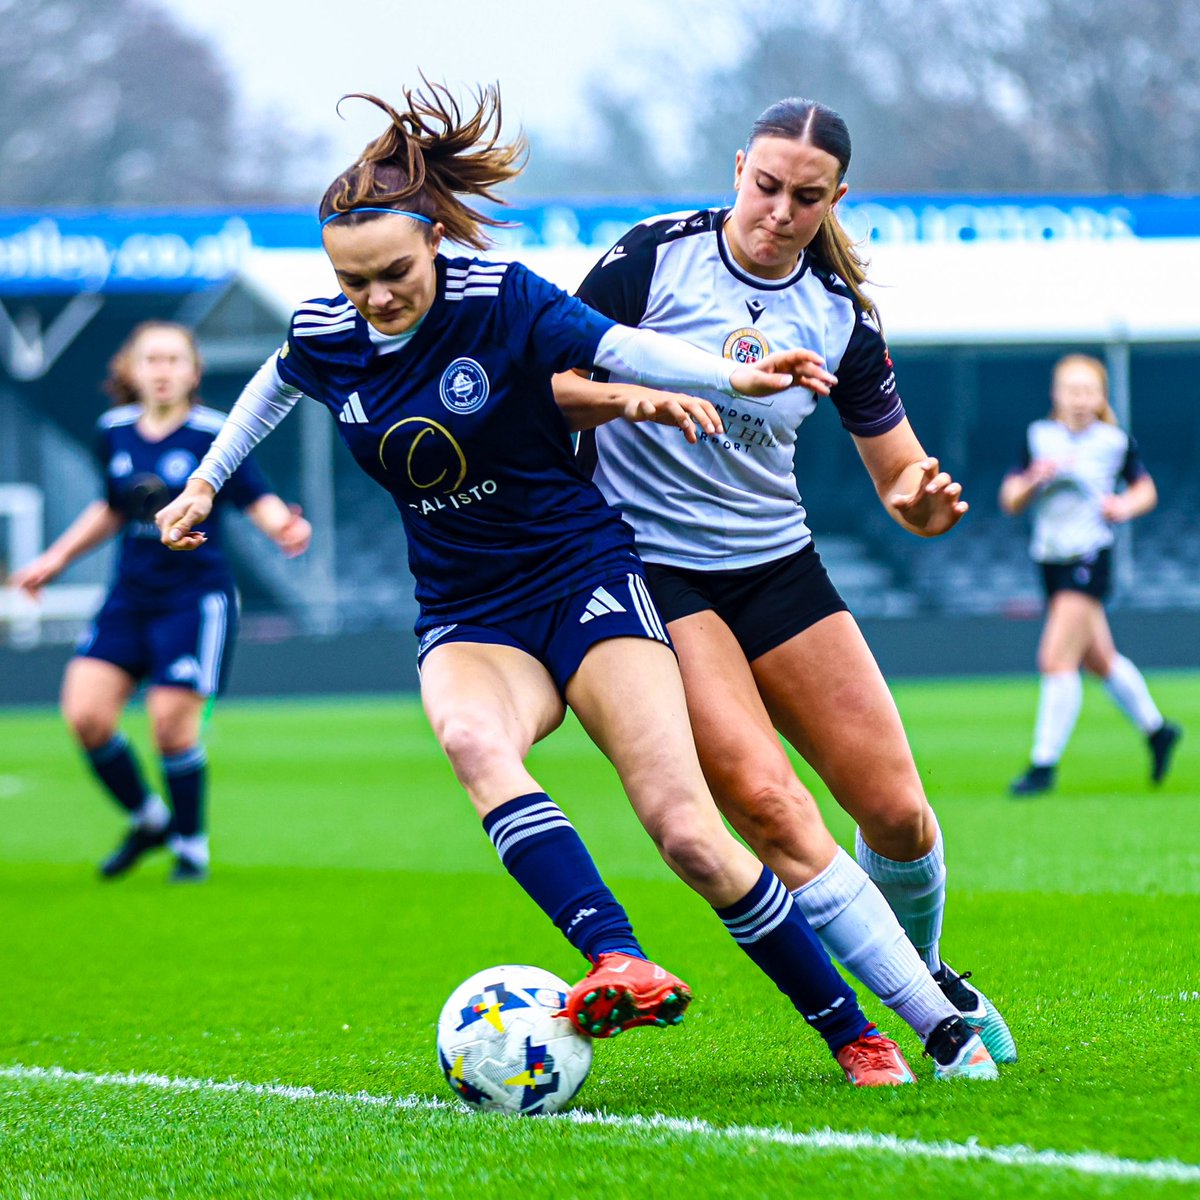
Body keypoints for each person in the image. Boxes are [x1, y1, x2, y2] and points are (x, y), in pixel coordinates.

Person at [154, 82, 986, 1084]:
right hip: (551, 589)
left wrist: (770, 409)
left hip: (671, 568)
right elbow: (310, 374)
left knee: (792, 822)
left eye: (804, 196)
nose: (374, 300)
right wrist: (206, 482)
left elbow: (617, 354)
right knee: (608, 772)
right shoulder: (373, 319)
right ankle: (636, 960)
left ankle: (897, 1008)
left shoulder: (518, 296)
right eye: (352, 279)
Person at [556, 96, 1016, 1067]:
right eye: (765, 186)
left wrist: (925, 506)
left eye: (806, 197)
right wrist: (645, 392)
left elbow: (901, 477)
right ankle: (921, 1034)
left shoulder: (839, 312)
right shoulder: (651, 260)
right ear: (737, 171)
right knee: (769, 804)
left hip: (776, 566)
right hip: (653, 568)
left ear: (835, 199)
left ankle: (924, 975)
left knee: (897, 814)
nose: (779, 210)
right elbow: (548, 379)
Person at [9, 321, 312, 882]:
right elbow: (112, 508)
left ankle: (191, 846)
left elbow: (257, 498)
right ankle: (151, 820)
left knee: (171, 728)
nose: (163, 370)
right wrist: (54, 560)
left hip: (195, 600)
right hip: (129, 596)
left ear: (194, 372)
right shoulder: (114, 430)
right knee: (86, 718)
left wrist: (283, 529)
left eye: (175, 360)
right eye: (152, 360)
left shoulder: (214, 434)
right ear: (131, 370)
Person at [1000, 353, 1182, 796]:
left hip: (1089, 557)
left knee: (1056, 659)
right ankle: (1158, 731)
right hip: (1049, 558)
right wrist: (1032, 481)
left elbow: (1145, 489)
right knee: (1099, 659)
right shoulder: (1038, 437)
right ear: (1056, 395)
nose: (1080, 399)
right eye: (1072, 390)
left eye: (1089, 391)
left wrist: (1122, 506)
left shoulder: (1113, 441)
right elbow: (1010, 499)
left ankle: (1043, 766)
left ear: (1101, 396)